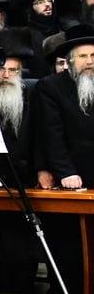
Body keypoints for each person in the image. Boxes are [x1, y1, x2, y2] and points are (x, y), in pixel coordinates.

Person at [33, 23, 94, 189]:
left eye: (93, 55)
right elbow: (51, 134)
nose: (89, 61)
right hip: (74, 175)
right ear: (70, 60)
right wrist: (66, 172)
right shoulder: (51, 87)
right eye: (83, 56)